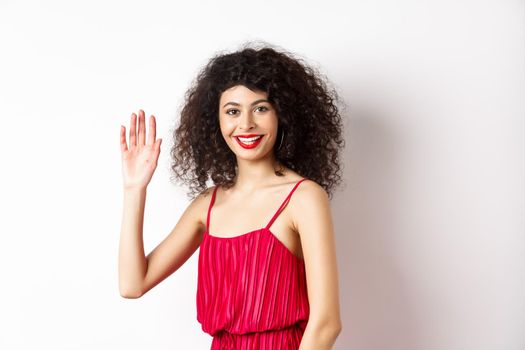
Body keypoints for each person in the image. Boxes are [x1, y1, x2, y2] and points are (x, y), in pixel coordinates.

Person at [118, 41, 345, 350]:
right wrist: (135, 189)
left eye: (261, 108)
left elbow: (326, 323)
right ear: (217, 122)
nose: (246, 124)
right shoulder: (206, 206)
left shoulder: (303, 197)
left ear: (283, 116)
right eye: (233, 111)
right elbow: (133, 284)